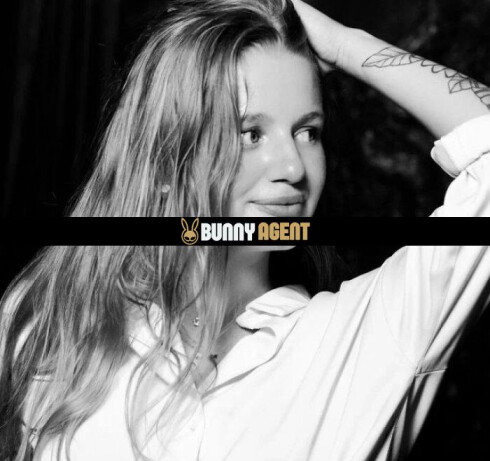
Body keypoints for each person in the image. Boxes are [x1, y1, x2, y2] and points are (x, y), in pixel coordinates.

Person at [1, 0, 489, 459]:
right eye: (251, 134)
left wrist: (346, 45)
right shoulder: (50, 323)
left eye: (308, 132)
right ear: (168, 162)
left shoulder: (365, 338)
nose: (293, 167)